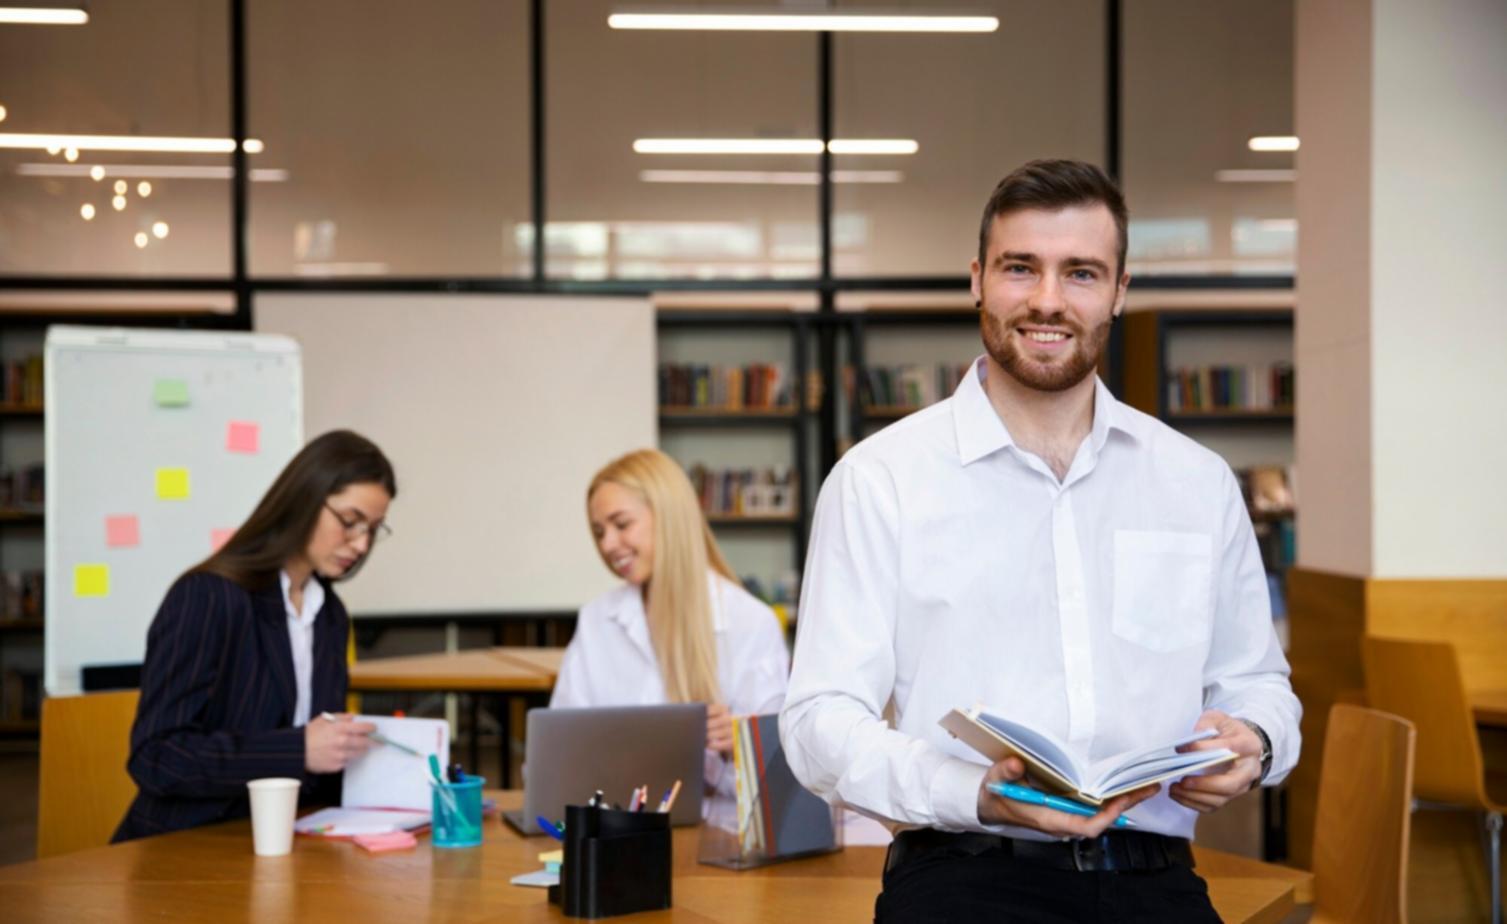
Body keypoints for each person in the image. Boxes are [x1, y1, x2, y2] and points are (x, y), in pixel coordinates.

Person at [780, 159, 1301, 922]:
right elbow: (817, 719)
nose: (1047, 301)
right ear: (977, 280)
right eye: (1020, 268)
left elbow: (1258, 683)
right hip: (960, 876)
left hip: (1153, 877)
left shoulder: (1194, 480)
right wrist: (972, 792)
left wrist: (1253, 740)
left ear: (1119, 292)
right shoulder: (878, 479)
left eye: (1081, 273)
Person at [114, 430, 397, 842]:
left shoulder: (329, 614)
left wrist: (403, 787)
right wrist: (298, 750)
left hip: (283, 842)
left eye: (374, 530)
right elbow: (158, 758)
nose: (361, 543)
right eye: (350, 522)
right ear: (304, 499)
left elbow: (318, 761)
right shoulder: (207, 596)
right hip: (189, 846)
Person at [550, 448, 789, 796]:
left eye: (621, 525)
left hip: (716, 835)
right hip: (619, 826)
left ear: (669, 516)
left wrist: (737, 746)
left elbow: (780, 785)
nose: (608, 544)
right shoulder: (597, 619)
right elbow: (559, 748)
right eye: (599, 532)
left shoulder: (751, 622)